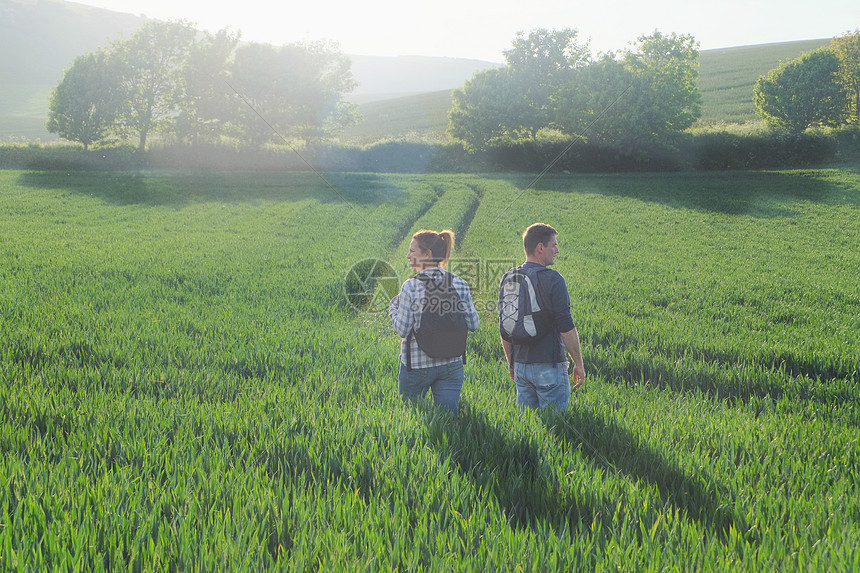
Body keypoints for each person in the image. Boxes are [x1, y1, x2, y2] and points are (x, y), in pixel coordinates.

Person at [389, 229, 479, 413]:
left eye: (412, 251)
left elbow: (402, 330)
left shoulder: (411, 286)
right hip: (452, 365)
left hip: (417, 367)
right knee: (448, 422)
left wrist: (393, 308)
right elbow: (473, 324)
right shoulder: (459, 283)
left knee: (411, 420)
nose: (408, 256)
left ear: (427, 254)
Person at [500, 223, 585, 412]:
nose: (557, 250)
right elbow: (566, 329)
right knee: (555, 430)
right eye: (553, 245)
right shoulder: (554, 279)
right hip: (549, 366)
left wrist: (512, 364)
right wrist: (578, 364)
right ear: (540, 248)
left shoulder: (509, 278)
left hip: (521, 366)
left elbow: (505, 329)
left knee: (529, 429)